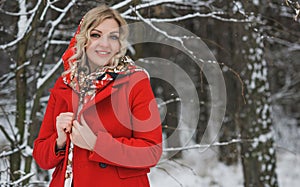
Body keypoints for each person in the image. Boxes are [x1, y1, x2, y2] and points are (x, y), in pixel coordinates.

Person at [33, 4, 162, 187]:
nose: (104, 44)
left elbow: (151, 152)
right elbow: (41, 157)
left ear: (120, 43)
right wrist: (60, 141)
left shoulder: (135, 81)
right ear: (83, 39)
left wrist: (97, 145)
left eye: (113, 37)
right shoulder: (65, 83)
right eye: (96, 35)